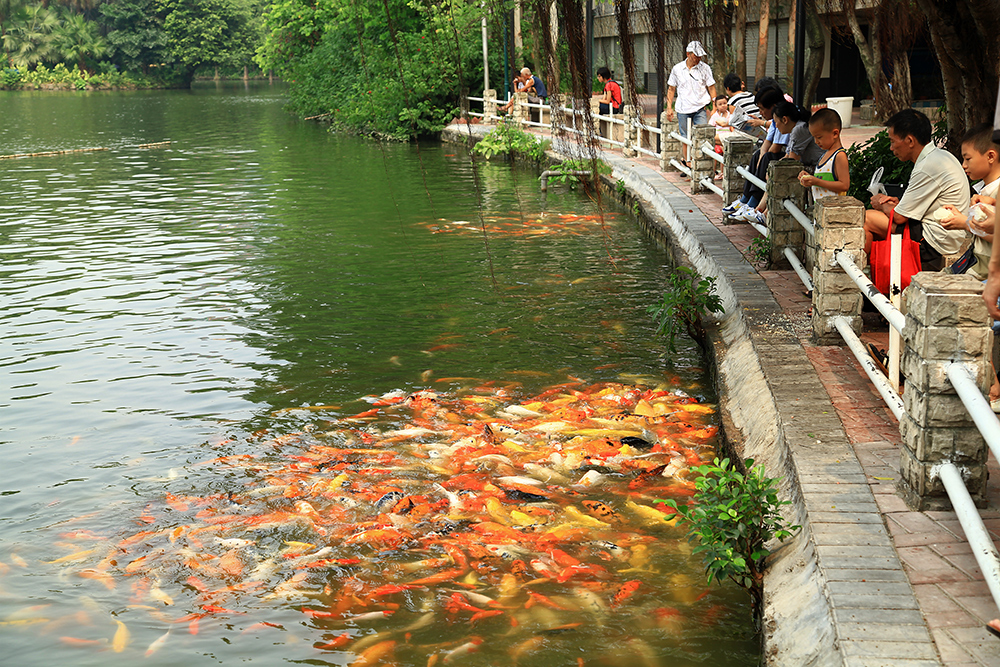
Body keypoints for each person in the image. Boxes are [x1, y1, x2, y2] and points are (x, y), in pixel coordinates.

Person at [863, 109, 970, 270]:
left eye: (892, 141)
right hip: (944, 234)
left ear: (910, 141)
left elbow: (898, 217)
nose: (891, 148)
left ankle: (860, 283)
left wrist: (880, 203)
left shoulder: (927, 166)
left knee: (866, 218)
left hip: (935, 241)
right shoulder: (939, 156)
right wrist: (896, 204)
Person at [722, 87, 787, 221]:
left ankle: (752, 204)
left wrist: (763, 159)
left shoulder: (784, 117)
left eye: (762, 109)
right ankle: (745, 200)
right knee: (759, 154)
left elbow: (775, 149)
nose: (760, 113)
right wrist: (760, 158)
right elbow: (767, 144)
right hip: (779, 155)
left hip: (787, 159)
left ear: (773, 106)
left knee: (767, 157)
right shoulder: (775, 120)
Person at [665, 41, 717, 165]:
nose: (698, 58)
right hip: (683, 108)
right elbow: (671, 89)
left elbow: (711, 87)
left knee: (703, 135)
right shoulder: (677, 68)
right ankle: (688, 163)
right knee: (685, 137)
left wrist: (714, 106)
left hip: (700, 107)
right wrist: (669, 107)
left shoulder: (705, 68)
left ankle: (701, 163)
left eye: (700, 56)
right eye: (696, 56)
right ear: (688, 54)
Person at [797, 108, 850, 201]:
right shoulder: (825, 155)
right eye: (814, 137)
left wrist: (817, 181)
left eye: (819, 137)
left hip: (834, 210)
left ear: (835, 133)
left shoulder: (839, 156)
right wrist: (809, 178)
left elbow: (844, 185)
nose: (816, 141)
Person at [723, 73, 763, 138]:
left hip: (747, 133)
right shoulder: (751, 95)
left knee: (715, 137)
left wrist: (724, 124)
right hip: (761, 131)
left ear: (728, 89)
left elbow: (735, 123)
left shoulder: (733, 101)